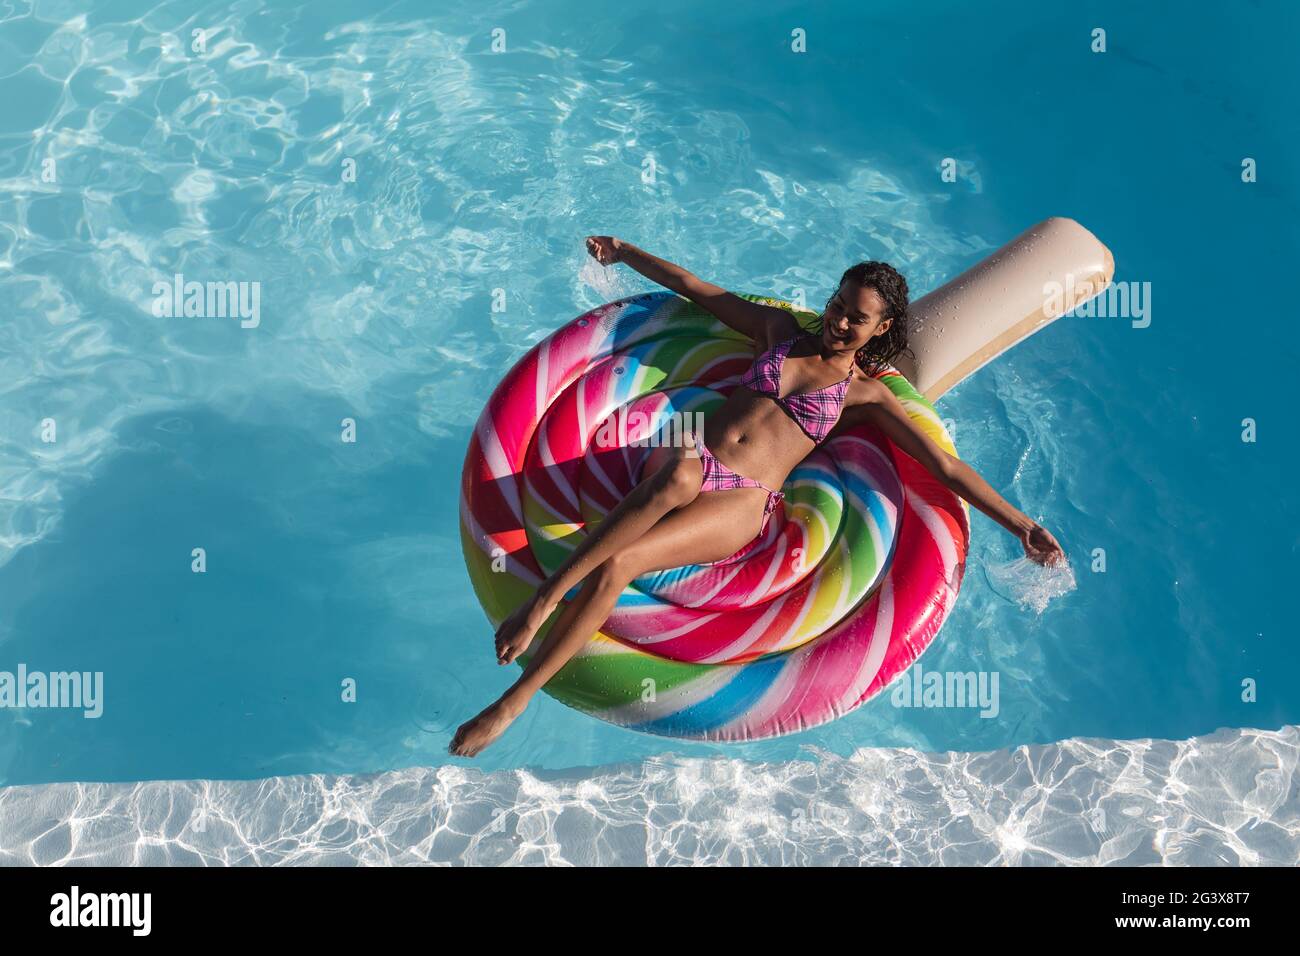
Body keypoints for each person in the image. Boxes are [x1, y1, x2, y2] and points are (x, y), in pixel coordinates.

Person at [450, 236, 1065, 756]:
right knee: (677, 478)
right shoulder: (779, 332)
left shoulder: (867, 396)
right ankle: (541, 603)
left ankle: (513, 703)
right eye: (838, 304)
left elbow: (943, 466)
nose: (839, 321)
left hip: (744, 501)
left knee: (620, 565)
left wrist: (1020, 524)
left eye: (857, 318)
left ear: (881, 330)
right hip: (689, 459)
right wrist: (623, 252)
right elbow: (699, 289)